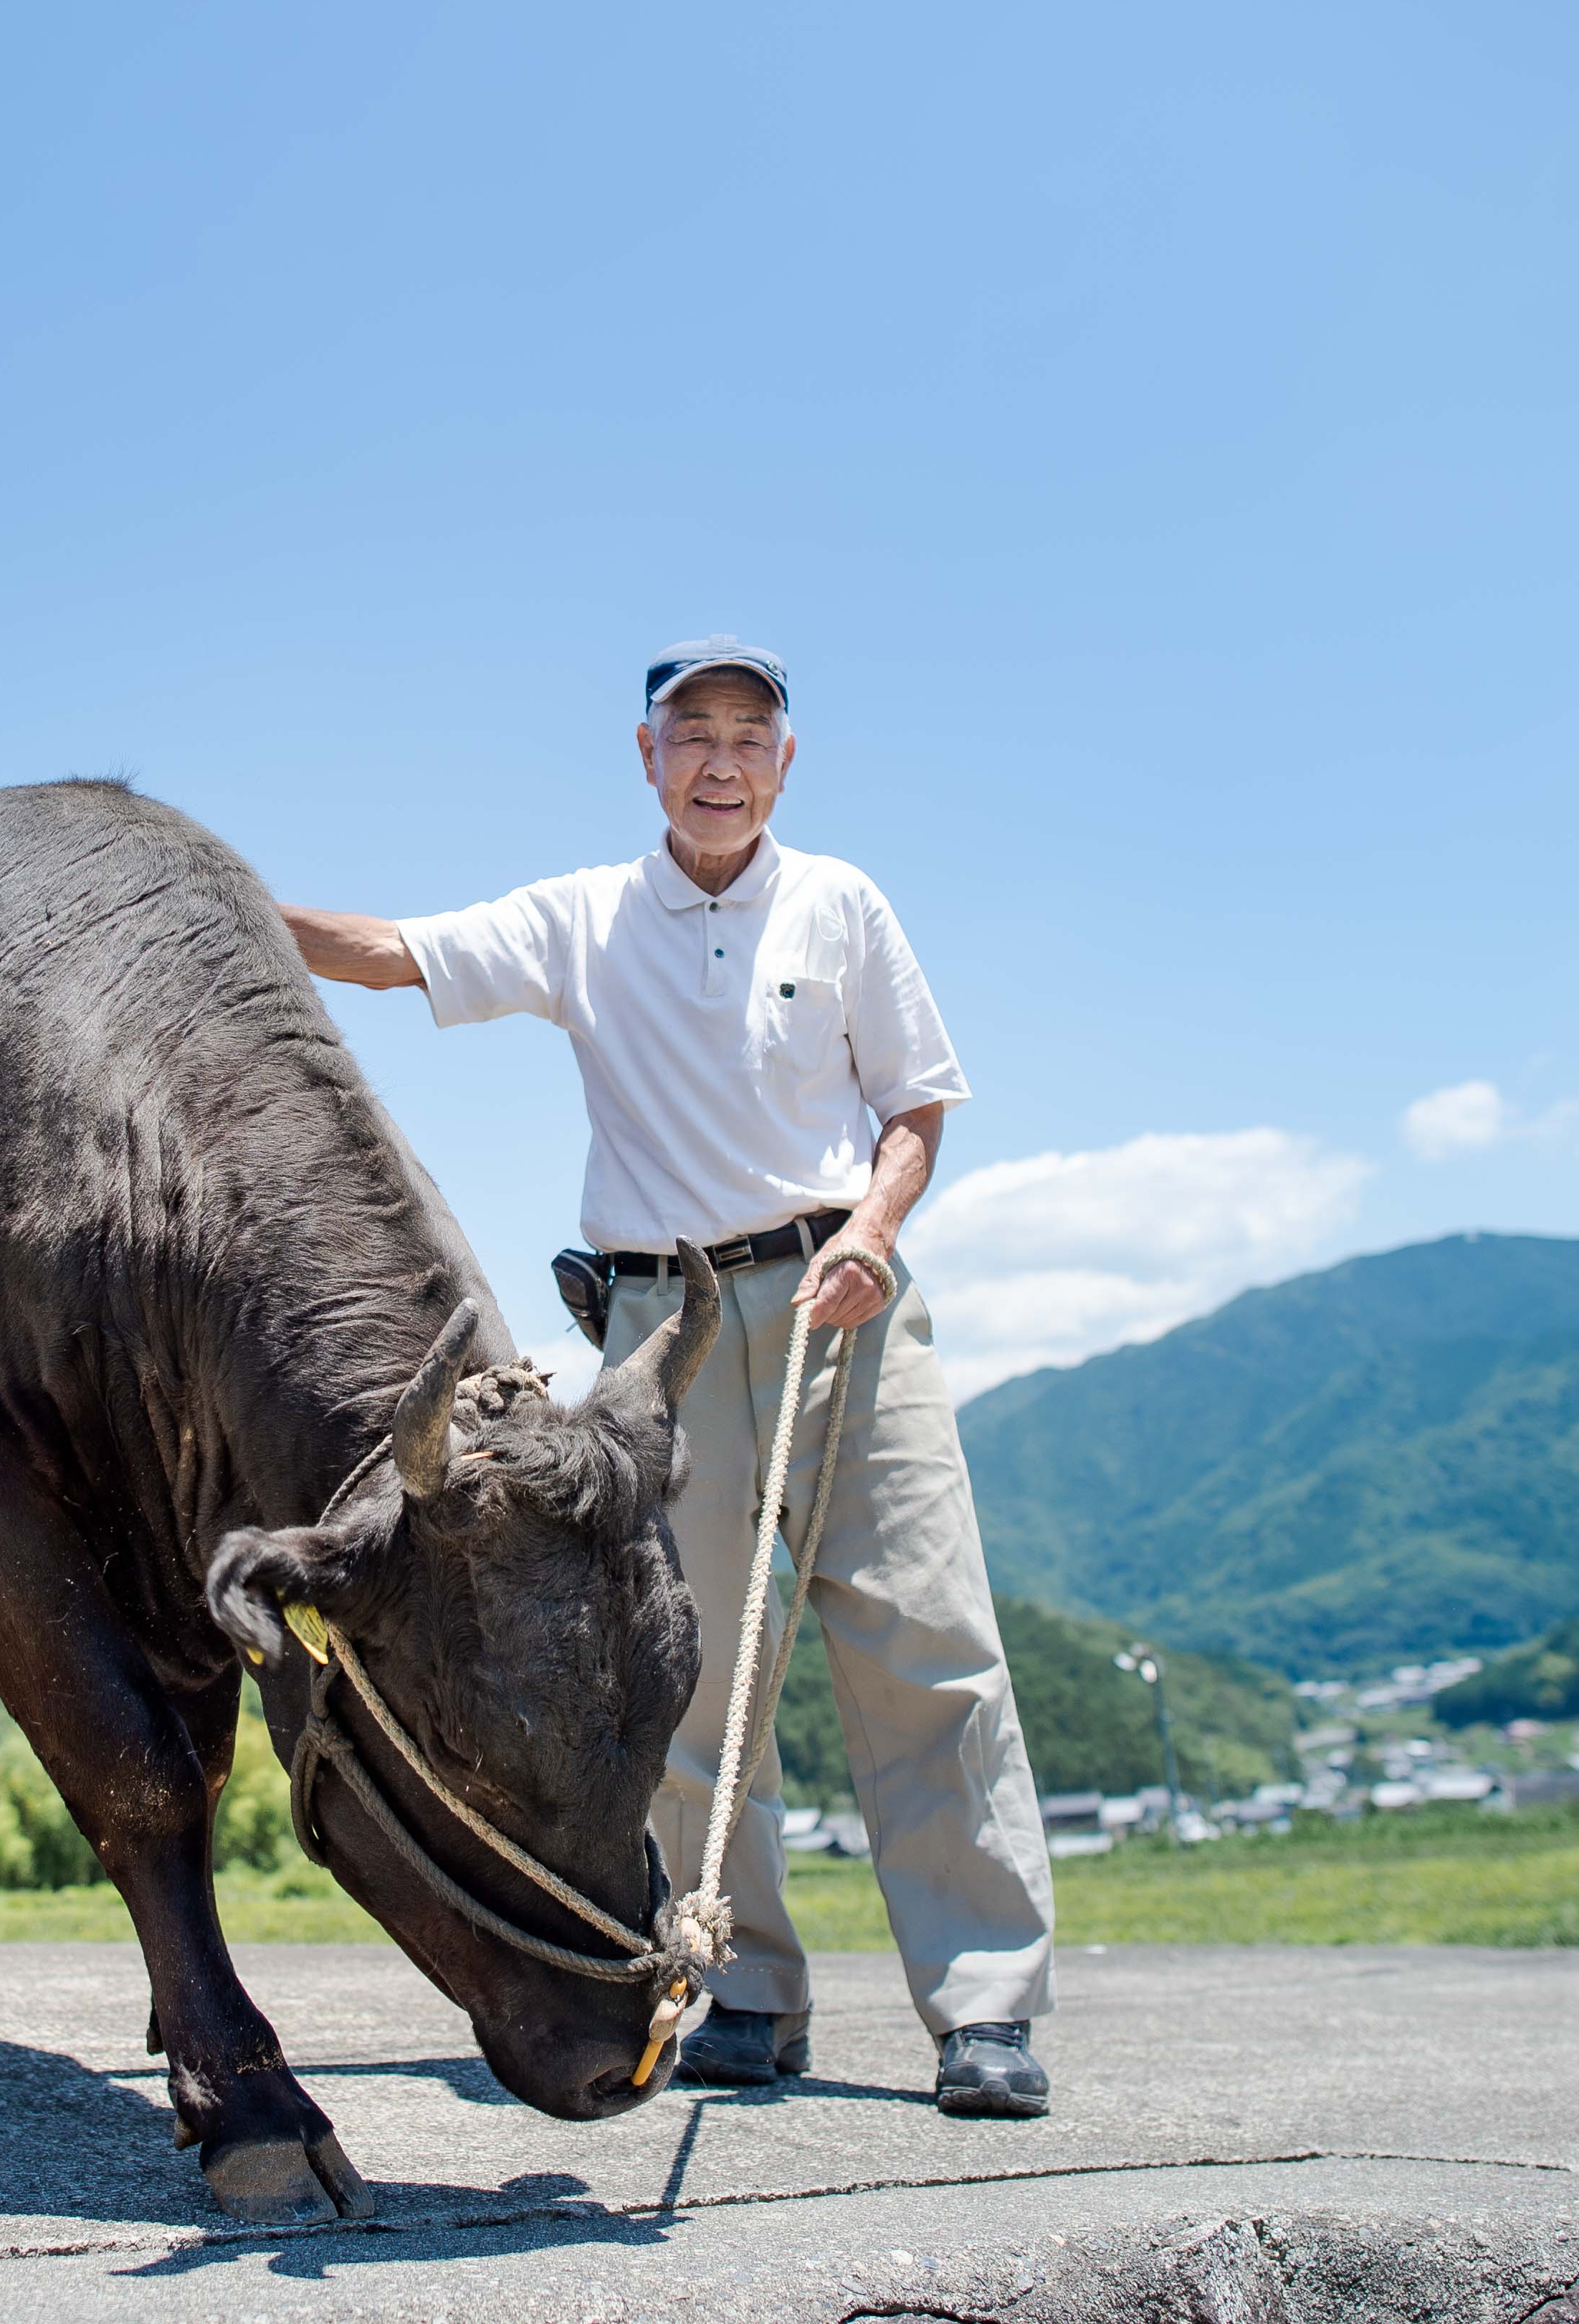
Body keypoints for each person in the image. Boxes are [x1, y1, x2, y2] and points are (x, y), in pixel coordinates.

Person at [278, 634, 1055, 2118]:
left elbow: (913, 1105)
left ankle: (984, 2009)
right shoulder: (583, 916)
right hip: (657, 1338)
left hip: (844, 1305)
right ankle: (747, 1987)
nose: (718, 757)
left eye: (747, 734)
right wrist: (226, 907)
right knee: (686, 1674)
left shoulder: (843, 902)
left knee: (925, 1645)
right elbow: (390, 951)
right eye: (689, 731)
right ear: (646, 757)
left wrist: (878, 1231)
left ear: (784, 761)